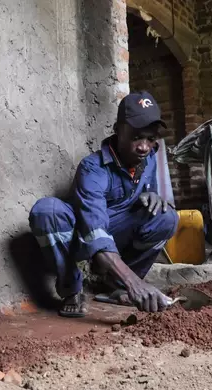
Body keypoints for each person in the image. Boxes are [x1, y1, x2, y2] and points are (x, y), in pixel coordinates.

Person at [29, 91, 178, 318]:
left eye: (150, 138)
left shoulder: (148, 159)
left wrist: (154, 197)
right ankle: (73, 289)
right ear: (118, 130)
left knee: (166, 217)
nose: (144, 147)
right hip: (81, 234)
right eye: (137, 137)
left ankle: (116, 286)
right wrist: (134, 282)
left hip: (115, 231)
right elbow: (94, 230)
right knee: (46, 211)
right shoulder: (93, 168)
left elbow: (151, 193)